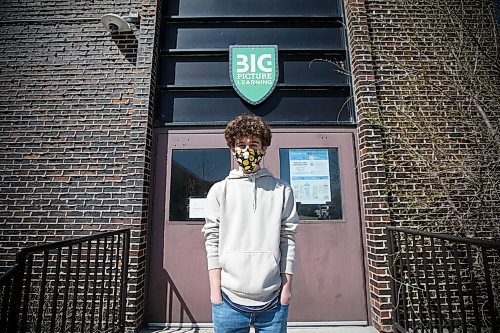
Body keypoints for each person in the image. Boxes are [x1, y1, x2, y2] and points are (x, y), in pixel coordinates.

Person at [202, 114, 299, 332]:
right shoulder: (219, 190)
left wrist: (286, 290)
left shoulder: (282, 190)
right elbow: (212, 240)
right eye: (241, 145)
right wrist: (215, 293)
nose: (247, 150)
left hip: (273, 302)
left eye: (253, 144)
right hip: (227, 301)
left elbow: (288, 240)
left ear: (264, 148)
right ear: (233, 148)